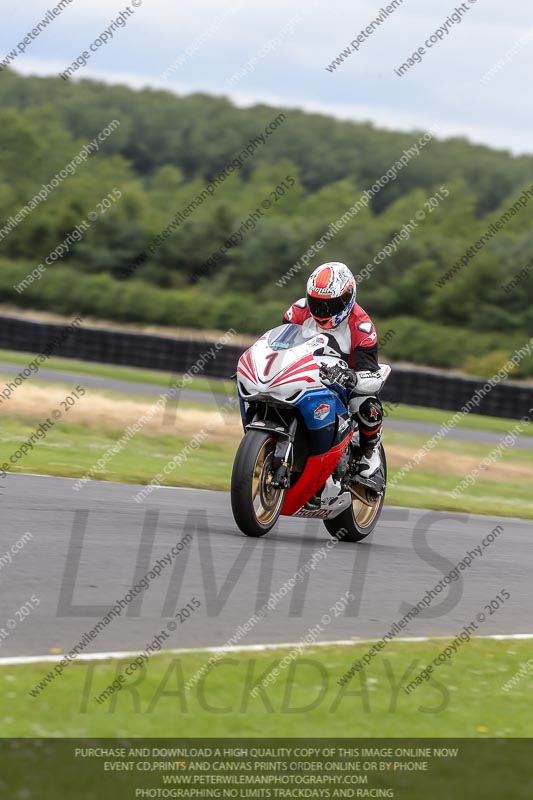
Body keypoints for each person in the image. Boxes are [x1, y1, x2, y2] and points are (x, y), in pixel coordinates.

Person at [283, 261, 384, 478]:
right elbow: (277, 345)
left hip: (343, 385)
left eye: (330, 304)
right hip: (304, 374)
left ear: (348, 299)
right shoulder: (298, 312)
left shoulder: (361, 327)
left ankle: (370, 450)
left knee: (367, 404)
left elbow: (373, 376)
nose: (322, 310)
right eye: (317, 302)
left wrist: (352, 378)